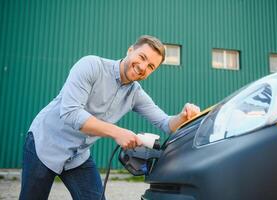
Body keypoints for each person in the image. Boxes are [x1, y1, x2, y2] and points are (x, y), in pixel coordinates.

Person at [19, 35, 200, 200]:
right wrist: (117, 132)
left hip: (77, 155)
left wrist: (183, 116)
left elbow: (166, 123)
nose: (143, 67)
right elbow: (71, 113)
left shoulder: (136, 94)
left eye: (151, 66)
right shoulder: (91, 65)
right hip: (45, 143)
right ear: (130, 50)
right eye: (142, 57)